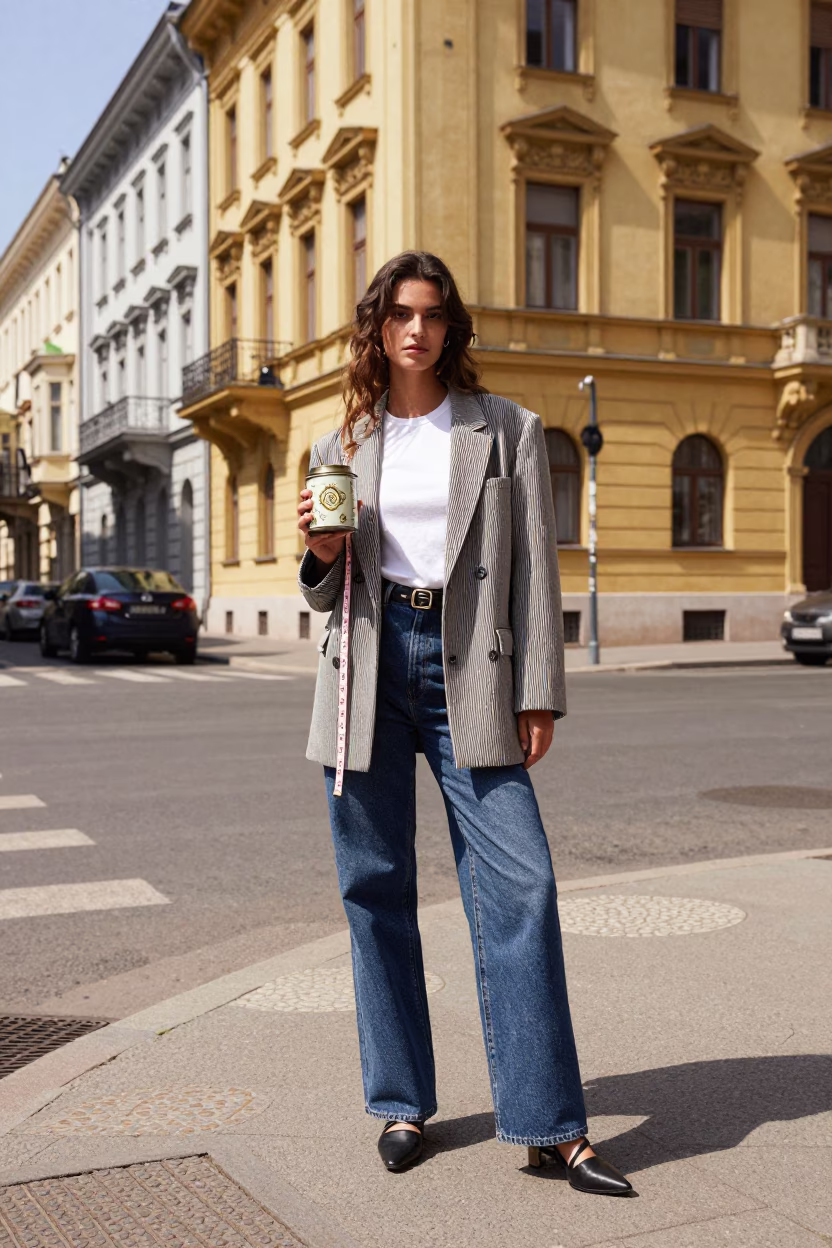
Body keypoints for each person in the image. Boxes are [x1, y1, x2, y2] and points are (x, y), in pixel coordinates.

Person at [296, 251, 633, 1196]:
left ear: (452, 326)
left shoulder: (505, 428)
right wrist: (320, 550)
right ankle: (401, 1102)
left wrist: (538, 689)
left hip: (471, 665)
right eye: (401, 314)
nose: (418, 329)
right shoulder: (343, 439)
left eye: (434, 314)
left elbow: (536, 568)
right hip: (367, 667)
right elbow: (322, 592)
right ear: (378, 326)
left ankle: (550, 1126)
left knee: (523, 885)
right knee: (374, 888)